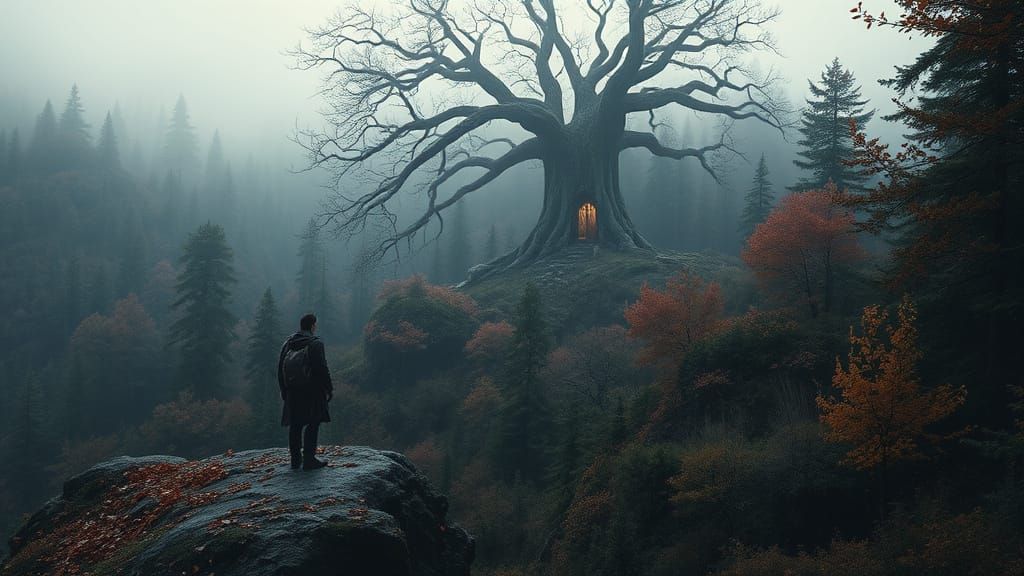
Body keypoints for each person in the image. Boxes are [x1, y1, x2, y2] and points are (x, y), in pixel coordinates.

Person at [278, 313, 333, 470]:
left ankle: (295, 460)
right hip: (312, 390)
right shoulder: (315, 343)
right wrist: (328, 388)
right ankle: (309, 459)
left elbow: (280, 368)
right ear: (313, 325)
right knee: (313, 422)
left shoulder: (288, 343)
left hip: (292, 391)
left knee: (295, 424)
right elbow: (321, 368)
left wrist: (284, 390)